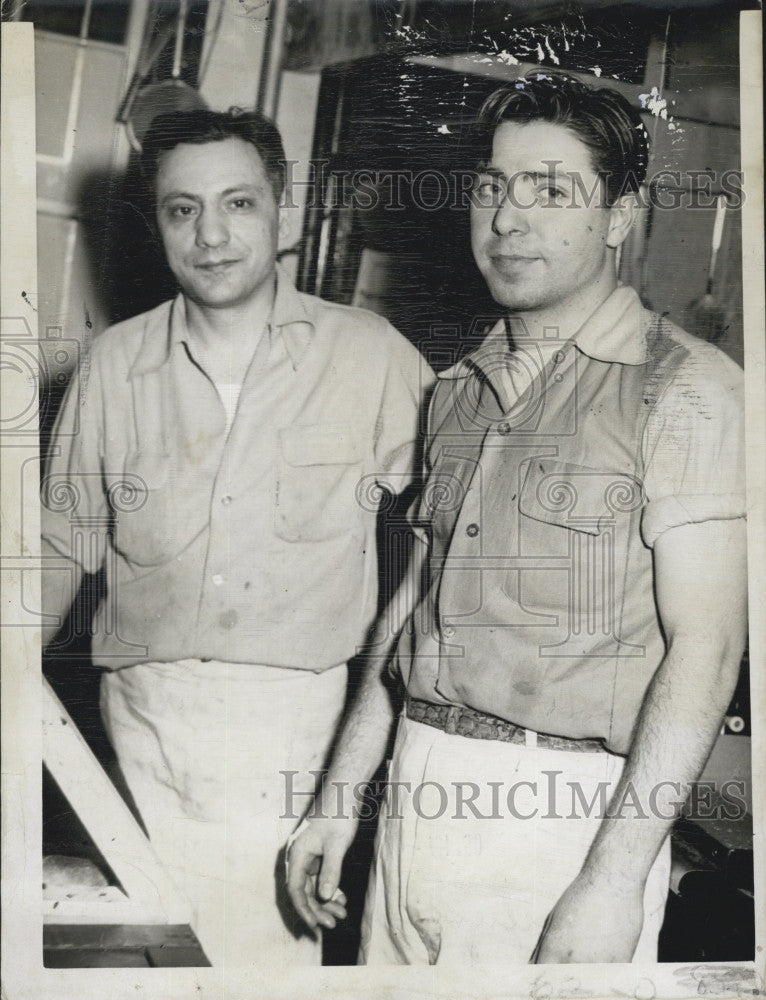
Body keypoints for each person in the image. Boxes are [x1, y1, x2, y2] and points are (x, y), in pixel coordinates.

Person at [286, 73, 747, 965]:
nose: (507, 218)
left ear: (618, 216)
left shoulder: (688, 390)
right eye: (492, 185)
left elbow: (711, 649)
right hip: (416, 789)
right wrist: (341, 795)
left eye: (550, 189)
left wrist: (613, 881)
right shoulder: (457, 391)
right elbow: (411, 611)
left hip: (560, 818)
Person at [41, 108, 431, 968]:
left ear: (282, 205)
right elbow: (62, 541)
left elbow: (452, 536)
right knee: (138, 952)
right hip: (141, 722)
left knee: (259, 967)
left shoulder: (372, 357)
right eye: (183, 209)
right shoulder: (115, 364)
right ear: (157, 221)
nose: (210, 235)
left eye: (238, 204)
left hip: (295, 729)